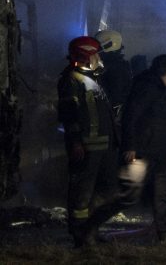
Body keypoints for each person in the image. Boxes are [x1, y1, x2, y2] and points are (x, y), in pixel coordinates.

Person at [85, 54, 166, 242]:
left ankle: (165, 235)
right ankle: (90, 227)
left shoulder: (157, 89)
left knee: (162, 196)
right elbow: (131, 116)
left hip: (156, 153)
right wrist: (130, 146)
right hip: (141, 153)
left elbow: (161, 124)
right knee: (129, 195)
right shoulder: (147, 88)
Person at [56, 36, 118, 247]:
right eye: (96, 53)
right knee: (82, 192)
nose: (99, 58)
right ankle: (80, 235)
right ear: (85, 55)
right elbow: (69, 114)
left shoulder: (91, 78)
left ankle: (91, 228)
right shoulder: (71, 80)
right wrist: (75, 141)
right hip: (86, 147)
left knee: (107, 189)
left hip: (104, 146)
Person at [94, 30, 133, 112]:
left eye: (98, 47)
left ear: (108, 45)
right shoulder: (113, 65)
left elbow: (115, 97)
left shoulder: (116, 68)